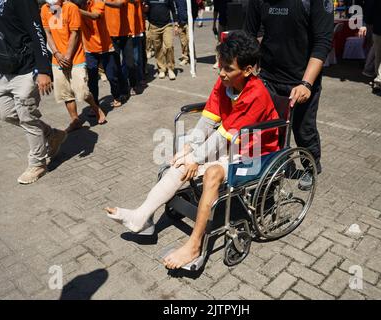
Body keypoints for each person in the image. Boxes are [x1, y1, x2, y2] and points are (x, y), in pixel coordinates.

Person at [104, 31, 280, 269]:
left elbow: (222, 135)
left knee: (211, 173)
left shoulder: (256, 94)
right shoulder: (225, 82)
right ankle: (142, 216)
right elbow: (209, 120)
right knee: (180, 162)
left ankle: (195, 245)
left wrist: (197, 157)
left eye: (228, 68)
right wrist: (190, 149)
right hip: (232, 143)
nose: (221, 72)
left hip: (257, 154)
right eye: (220, 65)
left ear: (248, 70)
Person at [245, 0, 333, 191]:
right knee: (269, 129)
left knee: (303, 130)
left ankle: (310, 166)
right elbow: (249, 35)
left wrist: (306, 83)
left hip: (302, 79)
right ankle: (274, 165)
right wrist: (248, 71)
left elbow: (322, 42)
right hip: (268, 77)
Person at [0, 0, 67, 184]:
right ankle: (52, 135)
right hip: (6, 68)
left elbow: (37, 32)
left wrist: (44, 70)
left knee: (27, 117)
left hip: (27, 69)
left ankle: (38, 164)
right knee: (7, 114)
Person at [41, 0, 106, 132]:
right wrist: (56, 53)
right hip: (57, 59)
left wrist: (68, 56)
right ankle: (75, 120)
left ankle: (96, 108)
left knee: (81, 90)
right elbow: (47, 34)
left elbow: (75, 34)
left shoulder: (71, 8)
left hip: (75, 58)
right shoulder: (44, 9)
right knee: (66, 93)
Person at [78, 0, 128, 108]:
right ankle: (95, 105)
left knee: (111, 76)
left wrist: (77, 10)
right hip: (90, 49)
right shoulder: (75, 7)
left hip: (105, 47)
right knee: (92, 80)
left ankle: (116, 95)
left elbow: (95, 16)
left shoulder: (98, 2)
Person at [144, 0, 178, 80]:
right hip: (154, 26)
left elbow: (174, 10)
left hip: (167, 25)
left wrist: (176, 24)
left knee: (169, 46)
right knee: (157, 48)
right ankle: (162, 69)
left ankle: (170, 69)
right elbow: (145, 11)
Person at [174, 0, 198, 66]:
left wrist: (192, 19)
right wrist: (176, 22)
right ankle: (185, 58)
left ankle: (193, 58)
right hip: (180, 23)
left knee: (190, 40)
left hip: (188, 22)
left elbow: (195, 8)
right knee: (183, 42)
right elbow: (175, 10)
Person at [212, 0, 231, 69]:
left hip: (232, 23)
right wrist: (214, 24)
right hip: (222, 23)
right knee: (220, 43)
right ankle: (218, 61)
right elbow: (215, 10)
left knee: (231, 43)